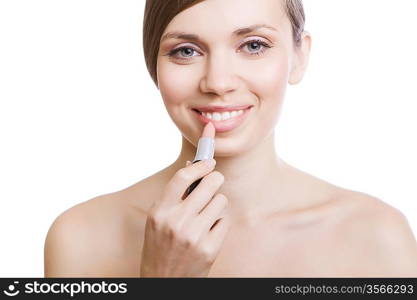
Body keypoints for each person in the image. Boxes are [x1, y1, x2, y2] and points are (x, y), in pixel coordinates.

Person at [44, 0, 417, 277]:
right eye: (186, 51)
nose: (218, 82)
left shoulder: (377, 236)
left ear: (299, 56)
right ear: (154, 65)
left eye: (253, 45)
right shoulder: (80, 237)